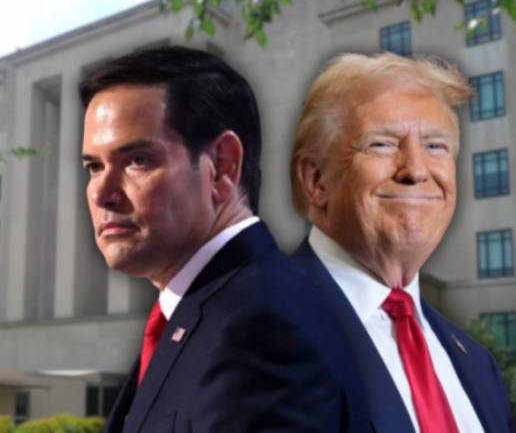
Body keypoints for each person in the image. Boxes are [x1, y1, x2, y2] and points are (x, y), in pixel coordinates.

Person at [80, 46, 363, 432]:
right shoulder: (205, 312)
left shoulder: (261, 324)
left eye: (137, 160)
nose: (101, 193)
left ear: (222, 167)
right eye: (94, 167)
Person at [290, 52, 514, 432]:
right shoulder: (249, 331)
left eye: (436, 146)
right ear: (316, 181)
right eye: (381, 144)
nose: (415, 169)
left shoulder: (477, 364)